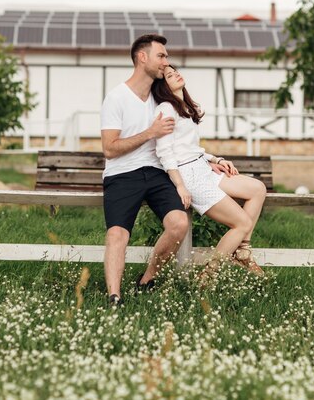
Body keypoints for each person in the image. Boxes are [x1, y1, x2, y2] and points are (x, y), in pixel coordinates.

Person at [151, 65, 267, 280]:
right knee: (241, 223)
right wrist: (180, 185)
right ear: (163, 86)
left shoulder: (186, 106)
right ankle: (208, 275)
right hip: (189, 176)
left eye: (175, 70)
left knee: (257, 189)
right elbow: (165, 153)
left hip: (203, 168)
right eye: (169, 75)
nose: (176, 73)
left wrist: (216, 159)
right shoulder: (166, 109)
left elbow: (190, 148)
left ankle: (242, 251)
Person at [100, 35, 189, 306]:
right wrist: (149, 133)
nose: (166, 61)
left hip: (156, 172)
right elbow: (109, 149)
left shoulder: (161, 98)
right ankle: (114, 296)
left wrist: (212, 159)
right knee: (117, 233)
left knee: (179, 223)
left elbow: (183, 140)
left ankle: (146, 280)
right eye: (161, 56)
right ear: (142, 58)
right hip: (122, 173)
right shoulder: (116, 97)